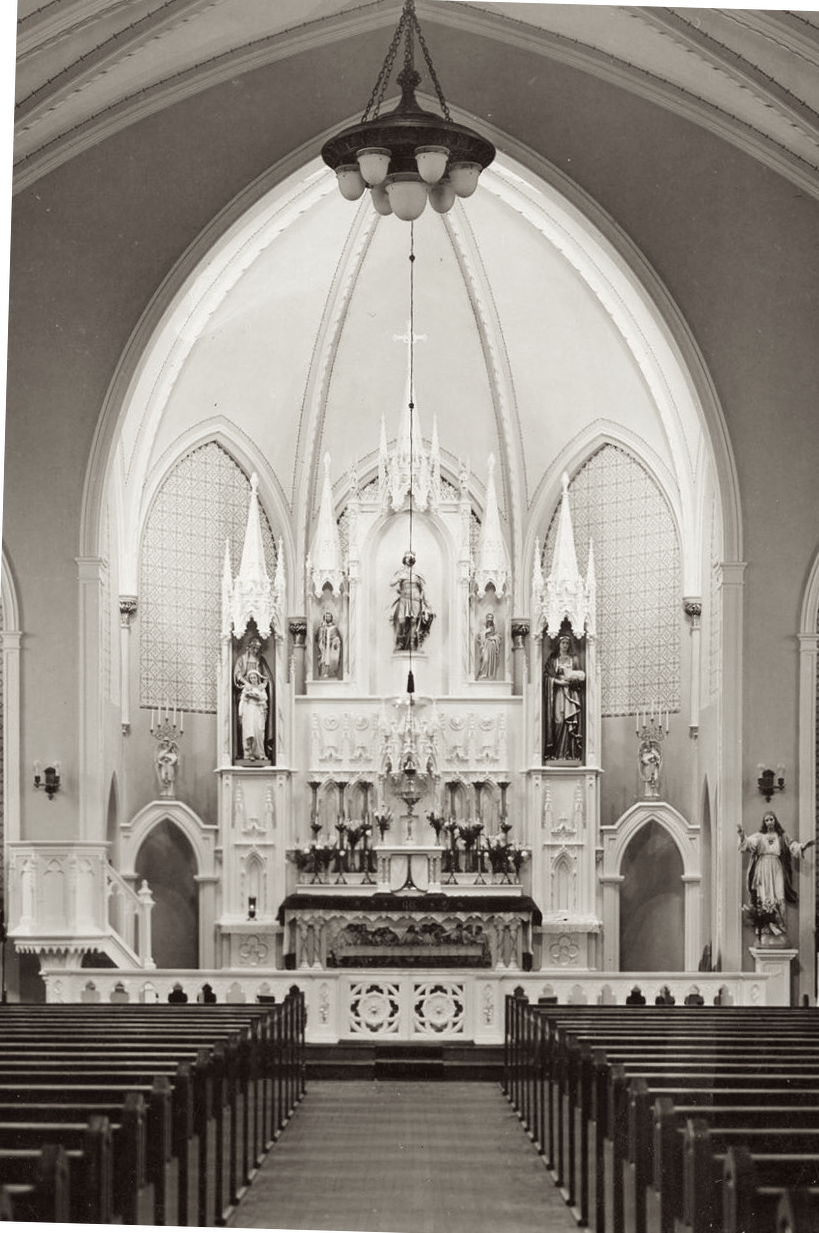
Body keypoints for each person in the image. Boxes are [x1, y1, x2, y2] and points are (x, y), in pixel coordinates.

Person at [737, 811, 814, 937]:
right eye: (766, 820)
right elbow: (748, 844)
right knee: (764, 896)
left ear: (775, 820)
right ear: (764, 822)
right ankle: (766, 927)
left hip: (777, 867)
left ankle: (781, 926)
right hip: (762, 868)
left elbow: (793, 845)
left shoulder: (782, 837)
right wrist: (741, 836)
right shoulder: (759, 836)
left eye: (771, 819)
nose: (769, 822)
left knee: (779, 896)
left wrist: (802, 846)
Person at [543, 631, 585, 761]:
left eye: (567, 643)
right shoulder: (553, 659)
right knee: (559, 720)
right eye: (563, 643)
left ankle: (569, 754)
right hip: (557, 693)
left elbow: (581, 677)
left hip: (571, 693)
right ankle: (556, 753)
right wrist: (557, 681)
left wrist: (574, 679)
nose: (565, 645)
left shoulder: (574, 659)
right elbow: (546, 676)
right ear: (559, 644)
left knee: (570, 723)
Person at [233, 632, 274, 761]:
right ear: (249, 647)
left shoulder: (261, 660)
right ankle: (246, 752)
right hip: (245, 698)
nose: (256, 651)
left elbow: (267, 678)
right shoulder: (242, 659)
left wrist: (264, 685)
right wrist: (247, 684)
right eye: (253, 648)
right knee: (246, 728)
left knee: (259, 730)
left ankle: (260, 752)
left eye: (258, 648)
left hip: (259, 703)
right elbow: (238, 674)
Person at [390, 550, 434, 651]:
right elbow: (391, 583)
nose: (410, 559)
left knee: (414, 620)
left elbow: (423, 589)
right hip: (404, 599)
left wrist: (427, 603)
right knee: (401, 620)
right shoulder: (400, 572)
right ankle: (401, 641)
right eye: (407, 557)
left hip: (415, 599)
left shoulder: (417, 573)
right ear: (404, 559)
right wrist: (400, 577)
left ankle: (412, 641)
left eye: (411, 557)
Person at [316, 608, 342, 678]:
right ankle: (323, 673)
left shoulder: (334, 628)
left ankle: (331, 674)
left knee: (331, 660)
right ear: (324, 617)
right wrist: (321, 632)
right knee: (323, 660)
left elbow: (337, 637)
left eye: (329, 616)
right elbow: (317, 638)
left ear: (331, 618)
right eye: (326, 616)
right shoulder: (322, 627)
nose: (328, 618)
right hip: (324, 648)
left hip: (331, 648)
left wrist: (336, 641)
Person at [477, 612, 502, 680]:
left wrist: (493, 638)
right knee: (485, 660)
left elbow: (499, 637)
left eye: (491, 618)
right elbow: (479, 636)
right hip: (485, 645)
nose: (489, 619)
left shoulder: (495, 628)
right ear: (486, 619)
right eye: (488, 618)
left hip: (493, 646)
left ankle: (490, 676)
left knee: (492, 661)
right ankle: (482, 674)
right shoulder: (483, 628)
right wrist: (486, 631)